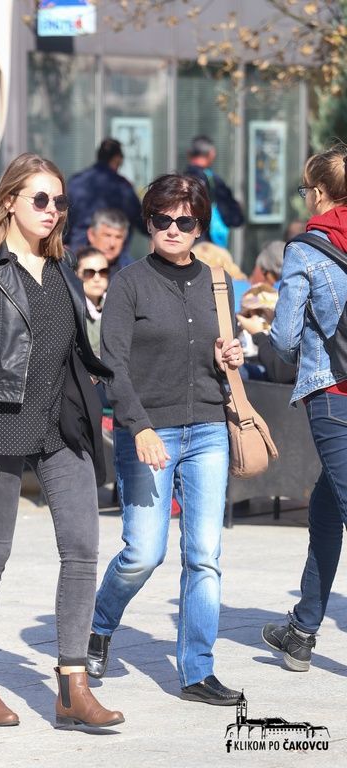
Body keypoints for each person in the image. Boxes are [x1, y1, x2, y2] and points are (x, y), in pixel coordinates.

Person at [0, 152, 124, 729]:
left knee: (82, 547)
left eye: (59, 201)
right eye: (40, 199)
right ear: (10, 201)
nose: (52, 210)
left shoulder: (62, 268)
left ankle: (72, 688)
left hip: (60, 423)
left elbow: (75, 349)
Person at [86, 172, 244, 705]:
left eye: (185, 221)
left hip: (209, 430)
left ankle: (198, 670)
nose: (173, 229)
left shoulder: (217, 282)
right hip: (148, 432)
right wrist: (141, 427)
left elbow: (218, 353)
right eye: (162, 219)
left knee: (204, 555)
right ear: (148, 222)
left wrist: (228, 356)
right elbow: (113, 365)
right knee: (143, 553)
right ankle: (100, 624)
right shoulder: (128, 283)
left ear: (200, 226)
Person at [262, 144, 347, 672]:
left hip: (334, 395)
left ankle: (302, 630)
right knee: (325, 508)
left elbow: (286, 338)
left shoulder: (306, 248)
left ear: (317, 192)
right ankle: (301, 631)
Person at [65, 138, 145, 258]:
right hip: (113, 255)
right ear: (117, 158)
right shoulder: (121, 185)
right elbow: (139, 218)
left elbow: (66, 218)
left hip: (79, 250)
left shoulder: (76, 181)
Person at [185, 135, 244, 248]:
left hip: (190, 239)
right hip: (210, 240)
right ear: (211, 153)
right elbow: (233, 214)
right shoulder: (212, 179)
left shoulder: (181, 179)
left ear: (189, 153)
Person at [236, 284, 296, 384]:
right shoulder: (238, 329)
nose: (257, 318)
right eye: (250, 314)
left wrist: (259, 334)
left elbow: (279, 373)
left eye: (262, 313)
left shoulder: (287, 338)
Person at [75, 246, 109, 358]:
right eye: (89, 273)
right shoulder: (70, 310)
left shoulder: (118, 304)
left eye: (103, 272)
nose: (97, 278)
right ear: (76, 275)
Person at [85, 209, 130, 277]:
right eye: (107, 235)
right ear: (92, 235)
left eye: (118, 237)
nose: (112, 244)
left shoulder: (130, 272)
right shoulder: (73, 267)